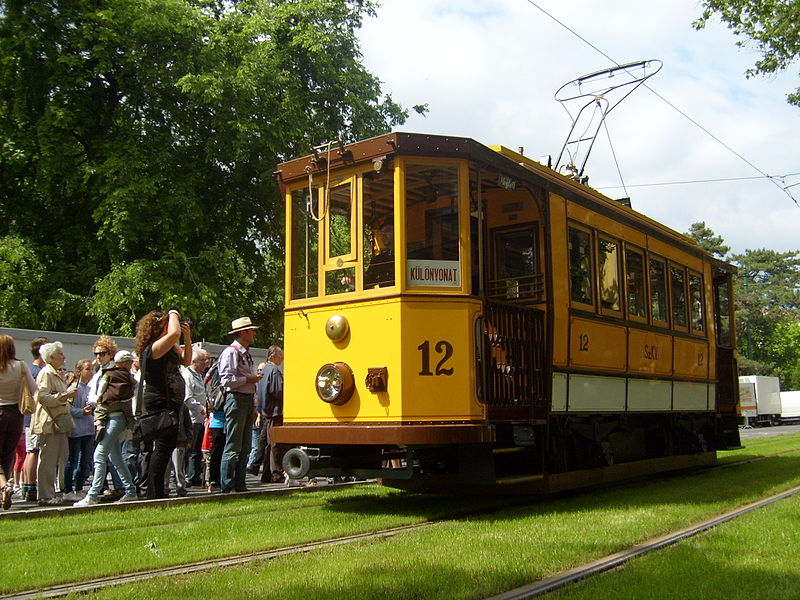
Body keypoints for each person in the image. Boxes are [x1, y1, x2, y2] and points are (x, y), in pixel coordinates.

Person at [134, 310, 192, 499]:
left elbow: (186, 360)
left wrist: (188, 338)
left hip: (172, 403)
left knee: (165, 449)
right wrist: (173, 312)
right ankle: (154, 493)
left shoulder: (170, 348)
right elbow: (174, 333)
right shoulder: (152, 349)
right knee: (161, 449)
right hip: (160, 402)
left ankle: (156, 492)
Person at [75, 351, 139, 506]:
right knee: (115, 457)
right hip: (114, 417)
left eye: (102, 353)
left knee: (99, 455)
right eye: (97, 353)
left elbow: (100, 393)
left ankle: (93, 494)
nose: (98, 356)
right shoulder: (120, 375)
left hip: (113, 417)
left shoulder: (108, 374)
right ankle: (130, 491)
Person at [218, 317, 262, 493]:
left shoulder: (245, 353)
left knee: (245, 446)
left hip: (246, 400)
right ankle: (227, 485)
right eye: (251, 330)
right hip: (235, 400)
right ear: (243, 332)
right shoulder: (231, 352)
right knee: (233, 445)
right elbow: (226, 381)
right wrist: (249, 379)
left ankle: (240, 484)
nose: (254, 333)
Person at [32, 342, 77, 506]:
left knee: (61, 458)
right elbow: (42, 397)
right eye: (61, 354)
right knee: (48, 461)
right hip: (49, 423)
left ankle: (58, 492)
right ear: (51, 357)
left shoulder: (54, 373)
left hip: (58, 423)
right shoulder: (46, 373)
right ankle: (45, 495)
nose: (64, 357)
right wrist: (63, 397)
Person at [0, 334, 37, 510]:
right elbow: (33, 388)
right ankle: (4, 489)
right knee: (8, 455)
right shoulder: (20, 365)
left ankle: (4, 486)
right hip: (16, 414)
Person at [62, 359, 95, 502]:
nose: (90, 372)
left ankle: (80, 487)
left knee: (85, 460)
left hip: (88, 429)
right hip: (76, 429)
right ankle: (68, 489)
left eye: (91, 369)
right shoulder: (74, 388)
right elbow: (68, 408)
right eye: (87, 369)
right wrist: (82, 412)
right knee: (73, 459)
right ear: (79, 371)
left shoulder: (90, 388)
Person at [22, 336, 48, 502]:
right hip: (34, 418)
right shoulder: (37, 372)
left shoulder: (29, 370)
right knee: (33, 451)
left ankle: (26, 486)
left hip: (27, 418)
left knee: (29, 452)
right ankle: (30, 487)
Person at [255, 346, 285, 484]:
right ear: (274, 356)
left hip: (266, 411)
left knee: (268, 444)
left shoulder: (264, 370)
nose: (282, 357)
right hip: (275, 411)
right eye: (280, 355)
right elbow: (278, 391)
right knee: (275, 444)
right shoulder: (273, 371)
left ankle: (266, 474)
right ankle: (276, 474)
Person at [181, 347, 209, 487]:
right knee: (189, 449)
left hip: (200, 420)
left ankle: (194, 475)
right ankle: (186, 476)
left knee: (197, 450)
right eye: (203, 360)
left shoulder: (199, 375)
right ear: (194, 361)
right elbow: (187, 398)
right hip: (192, 418)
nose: (206, 362)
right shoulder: (187, 376)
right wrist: (202, 409)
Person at [247, 361, 267, 475]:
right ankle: (251, 465)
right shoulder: (255, 384)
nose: (260, 372)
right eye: (258, 370)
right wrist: (258, 415)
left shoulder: (263, 384)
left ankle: (254, 465)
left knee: (260, 442)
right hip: (256, 416)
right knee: (256, 444)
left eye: (261, 370)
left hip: (262, 415)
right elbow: (257, 402)